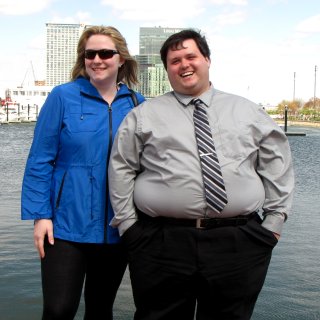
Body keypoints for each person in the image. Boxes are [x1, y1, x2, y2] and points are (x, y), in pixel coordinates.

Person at [108, 29, 294, 320]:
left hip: (238, 241)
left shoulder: (248, 112)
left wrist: (274, 222)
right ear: (167, 68)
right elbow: (121, 167)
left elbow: (277, 165)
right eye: (174, 60)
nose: (184, 64)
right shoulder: (144, 115)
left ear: (207, 59)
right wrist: (129, 226)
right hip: (160, 242)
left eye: (191, 56)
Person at [21, 25, 144, 319]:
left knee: (101, 310)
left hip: (118, 228)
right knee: (58, 309)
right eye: (90, 54)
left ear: (121, 59)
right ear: (83, 58)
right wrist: (41, 215)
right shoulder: (62, 97)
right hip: (64, 228)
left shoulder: (138, 104)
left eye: (105, 53)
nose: (97, 59)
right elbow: (40, 160)